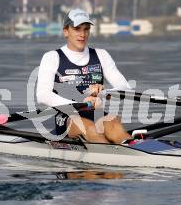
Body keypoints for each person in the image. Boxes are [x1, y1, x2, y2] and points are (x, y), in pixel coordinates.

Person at [36, 8, 131, 144]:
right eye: (77, 29)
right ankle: (107, 160)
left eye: (86, 29)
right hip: (67, 117)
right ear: (65, 31)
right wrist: (79, 103)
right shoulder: (52, 57)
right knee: (90, 129)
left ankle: (138, 154)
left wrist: (105, 92)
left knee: (115, 125)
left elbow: (126, 89)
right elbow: (43, 95)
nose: (82, 34)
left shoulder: (101, 55)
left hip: (96, 114)